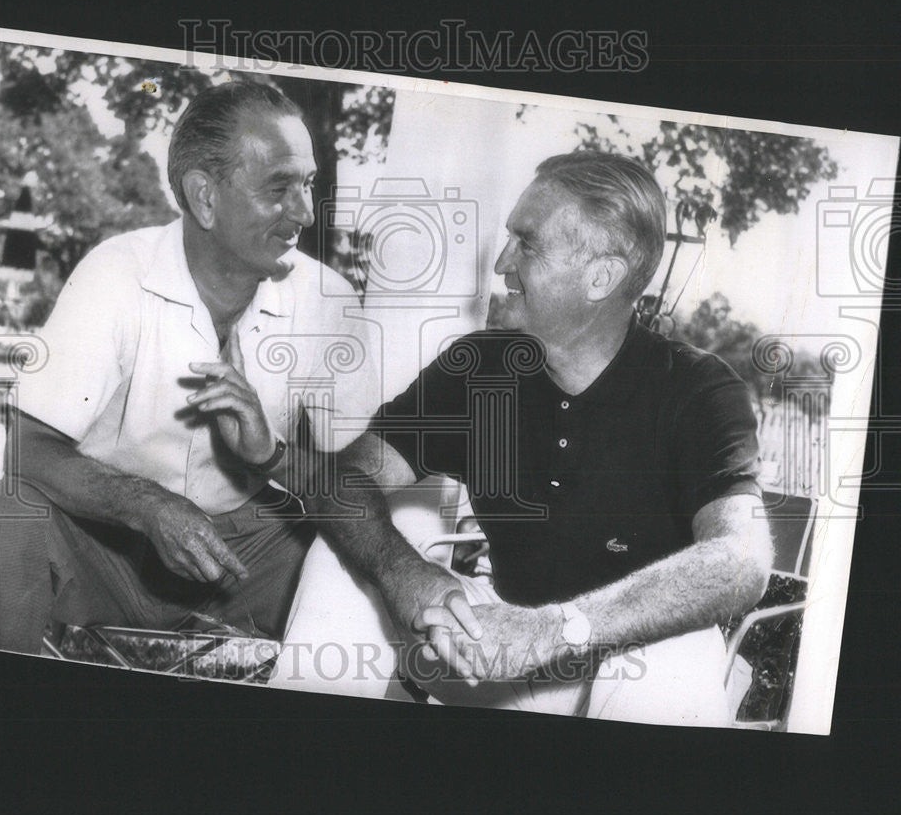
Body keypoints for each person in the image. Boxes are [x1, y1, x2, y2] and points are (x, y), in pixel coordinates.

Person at [283, 150, 773, 726]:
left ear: (602, 276)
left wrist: (558, 630)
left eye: (527, 242)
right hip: (496, 650)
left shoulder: (696, 388)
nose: (501, 263)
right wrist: (404, 576)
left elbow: (742, 560)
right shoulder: (479, 367)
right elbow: (342, 479)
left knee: (676, 650)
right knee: (341, 561)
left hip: (623, 665)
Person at [0, 81, 379, 654]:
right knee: (4, 513)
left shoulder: (330, 300)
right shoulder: (118, 273)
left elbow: (363, 472)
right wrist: (145, 505)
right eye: (279, 188)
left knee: (353, 535)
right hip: (109, 545)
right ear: (204, 197)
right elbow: (23, 444)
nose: (305, 212)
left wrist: (272, 456)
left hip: (245, 561)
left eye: (309, 183)